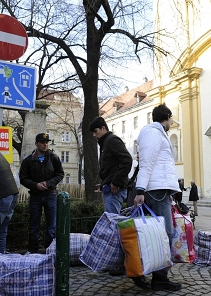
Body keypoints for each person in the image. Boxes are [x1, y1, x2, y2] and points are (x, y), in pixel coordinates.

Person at [133, 103, 182, 291]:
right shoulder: (153, 133)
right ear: (167, 117)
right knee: (164, 234)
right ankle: (158, 277)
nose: (171, 122)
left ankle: (146, 272)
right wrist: (140, 190)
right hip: (156, 190)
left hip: (160, 190)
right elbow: (147, 162)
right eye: (170, 118)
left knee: (155, 234)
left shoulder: (157, 133)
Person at [19, 133, 64, 254]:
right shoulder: (28, 160)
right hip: (35, 195)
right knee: (34, 226)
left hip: (50, 195)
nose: (45, 144)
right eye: (42, 142)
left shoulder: (54, 158)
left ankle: (50, 251)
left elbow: (60, 174)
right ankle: (32, 251)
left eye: (47, 142)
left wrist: (48, 183)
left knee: (51, 226)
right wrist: (35, 185)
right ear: (36, 144)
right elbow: (23, 178)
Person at [88, 117, 132, 214]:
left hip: (115, 190)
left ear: (103, 128)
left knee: (113, 222)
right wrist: (105, 182)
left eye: (96, 131)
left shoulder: (111, 140)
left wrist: (115, 182)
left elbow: (127, 160)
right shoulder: (106, 142)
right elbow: (112, 166)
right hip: (112, 188)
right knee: (112, 221)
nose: (94, 135)